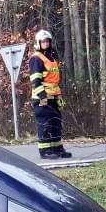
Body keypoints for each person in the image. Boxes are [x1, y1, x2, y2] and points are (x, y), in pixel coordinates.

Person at [28, 29, 72, 159]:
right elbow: (35, 80)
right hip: (42, 98)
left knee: (56, 124)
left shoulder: (52, 58)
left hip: (53, 97)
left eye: (47, 41)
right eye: (43, 41)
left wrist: (58, 97)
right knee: (45, 124)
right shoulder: (36, 59)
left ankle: (57, 149)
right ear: (38, 43)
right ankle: (45, 151)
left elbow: (54, 81)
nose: (46, 43)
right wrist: (42, 96)